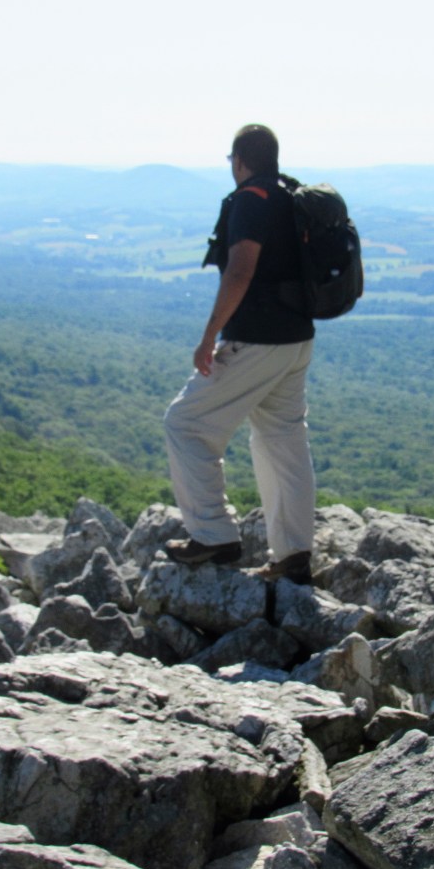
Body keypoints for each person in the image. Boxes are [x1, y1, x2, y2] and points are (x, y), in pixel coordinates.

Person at [163, 124, 315, 584]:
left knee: (186, 423)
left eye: (232, 160)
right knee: (282, 439)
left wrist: (209, 335)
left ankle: (213, 535)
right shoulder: (292, 196)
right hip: (297, 339)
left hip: (256, 338)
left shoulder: (250, 200)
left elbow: (240, 271)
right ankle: (293, 556)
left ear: (240, 161)